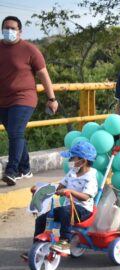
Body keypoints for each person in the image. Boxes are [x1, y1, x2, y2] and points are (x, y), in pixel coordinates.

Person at [1, 16, 59, 186]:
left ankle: (12, 171)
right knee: (14, 133)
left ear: (20, 31)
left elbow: (43, 75)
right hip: (3, 100)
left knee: (15, 131)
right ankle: (25, 168)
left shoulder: (30, 50)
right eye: (5, 28)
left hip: (24, 97)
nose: (8, 31)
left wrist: (51, 98)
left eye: (12, 28)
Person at [31, 141, 98, 256]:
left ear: (83, 160)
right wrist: (41, 189)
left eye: (73, 158)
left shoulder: (90, 177)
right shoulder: (72, 172)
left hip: (83, 210)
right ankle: (36, 248)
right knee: (42, 219)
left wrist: (70, 191)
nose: (70, 161)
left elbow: (86, 197)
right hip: (68, 209)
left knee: (65, 211)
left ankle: (64, 242)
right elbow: (59, 187)